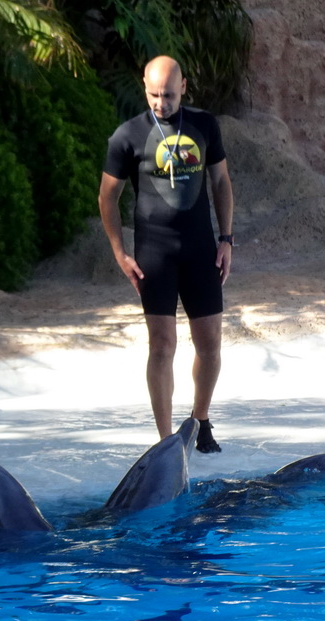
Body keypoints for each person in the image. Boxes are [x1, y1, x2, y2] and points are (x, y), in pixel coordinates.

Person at [98, 55, 234, 453]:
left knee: (209, 343)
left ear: (184, 88)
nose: (162, 103)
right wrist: (120, 252)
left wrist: (226, 239)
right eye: (155, 95)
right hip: (154, 254)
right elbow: (108, 197)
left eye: (169, 95)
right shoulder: (127, 136)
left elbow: (221, 180)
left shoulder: (204, 125)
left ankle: (201, 420)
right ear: (144, 87)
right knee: (162, 345)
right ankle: (164, 442)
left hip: (200, 250)